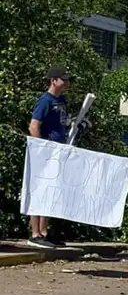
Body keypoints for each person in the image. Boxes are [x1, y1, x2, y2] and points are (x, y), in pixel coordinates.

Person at [26, 66, 72, 249]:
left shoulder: (61, 100)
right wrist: (40, 149)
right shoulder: (45, 101)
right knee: (40, 191)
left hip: (58, 151)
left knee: (51, 193)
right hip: (45, 153)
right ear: (54, 80)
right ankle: (35, 233)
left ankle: (44, 232)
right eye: (63, 79)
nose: (67, 82)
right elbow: (34, 126)